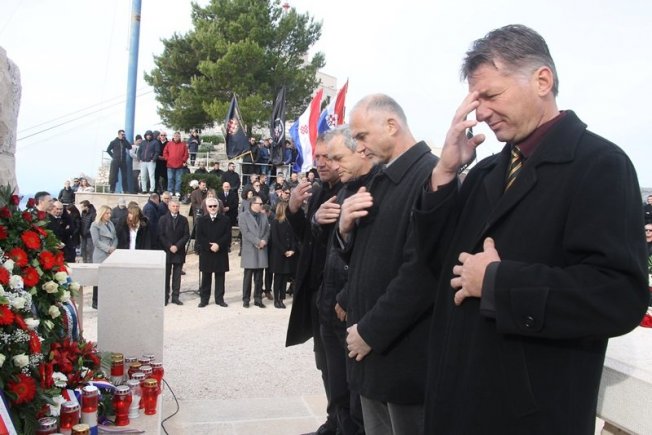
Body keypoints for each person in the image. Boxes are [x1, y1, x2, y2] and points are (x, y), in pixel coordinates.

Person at [412, 25, 647, 434]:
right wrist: (445, 173)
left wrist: (498, 283)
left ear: (542, 81)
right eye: (476, 101)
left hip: (527, 417)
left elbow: (619, 297)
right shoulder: (485, 171)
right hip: (457, 401)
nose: (480, 113)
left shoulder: (600, 165)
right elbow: (437, 266)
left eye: (491, 95)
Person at [336, 94, 438, 435]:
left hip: (404, 359)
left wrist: (370, 332)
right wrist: (344, 230)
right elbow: (366, 259)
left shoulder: (431, 177)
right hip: (371, 356)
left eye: (362, 136)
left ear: (391, 125)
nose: (359, 147)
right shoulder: (380, 179)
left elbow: (422, 273)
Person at [312, 125, 377, 435]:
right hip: (328, 301)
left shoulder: (375, 189)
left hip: (349, 307)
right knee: (334, 380)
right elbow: (327, 246)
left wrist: (348, 295)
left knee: (356, 396)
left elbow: (376, 254)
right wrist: (316, 219)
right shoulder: (343, 190)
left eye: (336, 157)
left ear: (360, 150)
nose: (332, 165)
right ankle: (335, 426)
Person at [285, 132, 343, 435]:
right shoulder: (321, 190)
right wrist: (294, 208)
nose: (319, 163)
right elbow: (308, 237)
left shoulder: (350, 190)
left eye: (327, 157)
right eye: (317, 156)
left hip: (338, 295)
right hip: (318, 291)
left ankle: (343, 426)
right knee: (325, 363)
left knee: (341, 370)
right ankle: (334, 422)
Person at [196, 197, 231, 307]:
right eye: (210, 206)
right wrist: (209, 246)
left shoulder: (225, 220)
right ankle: (204, 299)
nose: (212, 208)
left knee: (220, 276)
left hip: (220, 251)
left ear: (218, 207)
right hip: (206, 252)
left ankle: (219, 299)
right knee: (206, 277)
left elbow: (227, 235)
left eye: (214, 206)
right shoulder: (201, 220)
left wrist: (218, 244)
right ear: (206, 207)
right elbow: (199, 236)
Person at [239, 195, 269, 308]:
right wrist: (257, 242)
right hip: (250, 249)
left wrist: (264, 241)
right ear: (253, 204)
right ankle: (246, 299)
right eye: (260, 204)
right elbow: (245, 232)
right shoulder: (243, 216)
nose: (262, 205)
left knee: (259, 277)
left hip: (261, 248)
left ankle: (258, 298)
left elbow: (267, 231)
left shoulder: (263, 216)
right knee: (248, 276)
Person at [158, 198, 190, 306]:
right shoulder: (163, 219)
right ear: (169, 207)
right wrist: (169, 246)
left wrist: (177, 246)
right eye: (173, 206)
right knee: (166, 276)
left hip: (179, 251)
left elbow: (186, 235)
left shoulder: (183, 219)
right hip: (167, 251)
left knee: (177, 276)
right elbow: (160, 235)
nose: (175, 208)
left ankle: (175, 297)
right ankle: (165, 297)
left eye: (177, 206)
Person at [269, 201, 297, 308]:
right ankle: (276, 299)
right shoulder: (275, 222)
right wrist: (284, 251)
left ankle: (282, 298)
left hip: (288, 254)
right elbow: (275, 239)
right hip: (278, 255)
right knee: (278, 278)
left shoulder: (290, 222)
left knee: (285, 277)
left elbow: (293, 238)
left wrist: (292, 250)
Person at [90, 205, 118, 308]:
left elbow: (115, 237)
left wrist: (113, 247)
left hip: (111, 253)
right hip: (101, 254)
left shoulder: (110, 223)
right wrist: (108, 249)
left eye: (110, 213)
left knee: (109, 278)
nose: (109, 215)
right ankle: (95, 301)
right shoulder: (95, 225)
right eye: (107, 213)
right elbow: (96, 242)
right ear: (102, 213)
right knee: (98, 279)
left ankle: (106, 299)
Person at [163, 131, 189, 197]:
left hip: (180, 166)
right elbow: (165, 152)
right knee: (170, 178)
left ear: (180, 137)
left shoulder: (183, 144)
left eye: (177, 136)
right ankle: (170, 191)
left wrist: (183, 161)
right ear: (173, 136)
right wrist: (167, 159)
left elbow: (186, 154)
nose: (176, 137)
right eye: (175, 136)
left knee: (179, 179)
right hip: (170, 165)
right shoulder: (169, 144)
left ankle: (177, 191)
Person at [106, 129, 132, 193]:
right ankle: (112, 189)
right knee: (113, 175)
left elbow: (130, 147)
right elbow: (108, 150)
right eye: (122, 134)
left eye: (124, 134)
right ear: (118, 134)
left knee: (124, 176)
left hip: (123, 161)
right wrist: (113, 156)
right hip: (115, 161)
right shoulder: (113, 142)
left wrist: (125, 140)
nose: (123, 136)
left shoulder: (124, 142)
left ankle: (125, 190)